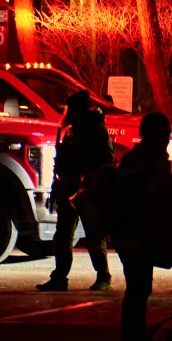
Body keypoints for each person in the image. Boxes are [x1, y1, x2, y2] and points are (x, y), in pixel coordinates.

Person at [113, 112, 172, 341]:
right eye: (166, 134)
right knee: (138, 287)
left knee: (137, 287)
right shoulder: (150, 160)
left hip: (128, 231)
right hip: (137, 232)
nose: (168, 139)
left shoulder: (134, 158)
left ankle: (133, 338)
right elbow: (169, 195)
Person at [37, 90, 115, 292]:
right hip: (68, 188)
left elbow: (105, 160)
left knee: (94, 236)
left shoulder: (94, 129)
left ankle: (103, 276)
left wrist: (85, 183)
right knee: (62, 236)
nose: (64, 113)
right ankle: (59, 278)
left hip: (86, 191)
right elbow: (62, 164)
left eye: (68, 109)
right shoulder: (74, 130)